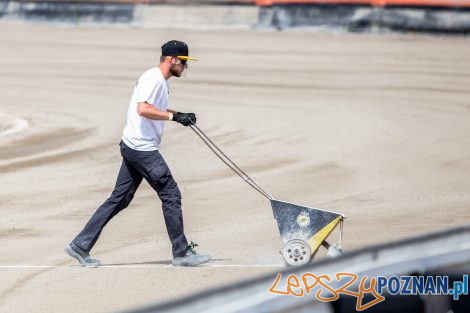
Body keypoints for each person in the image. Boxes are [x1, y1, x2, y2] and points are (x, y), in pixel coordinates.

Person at [65, 40, 211, 267]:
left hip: (133, 146)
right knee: (171, 195)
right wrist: (173, 117)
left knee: (120, 198)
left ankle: (80, 245)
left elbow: (155, 109)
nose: (185, 67)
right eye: (183, 62)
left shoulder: (159, 80)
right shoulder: (154, 79)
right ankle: (182, 253)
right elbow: (143, 109)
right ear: (171, 60)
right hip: (143, 149)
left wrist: (179, 114)